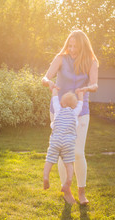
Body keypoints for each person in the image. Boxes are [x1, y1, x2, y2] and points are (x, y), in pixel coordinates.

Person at [42, 29, 99, 205]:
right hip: (59, 111)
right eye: (70, 45)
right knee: (61, 151)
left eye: (75, 46)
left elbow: (95, 84)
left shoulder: (91, 61)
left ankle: (81, 191)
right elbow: (45, 77)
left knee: (77, 152)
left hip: (80, 111)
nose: (72, 49)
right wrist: (48, 82)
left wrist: (86, 89)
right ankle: (66, 189)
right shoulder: (61, 58)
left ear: (83, 46)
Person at [43, 87, 84, 204]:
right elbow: (81, 104)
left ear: (63, 103)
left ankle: (46, 176)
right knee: (69, 164)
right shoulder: (75, 112)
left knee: (49, 160)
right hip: (68, 142)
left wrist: (55, 89)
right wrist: (80, 94)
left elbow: (54, 99)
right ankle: (68, 182)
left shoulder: (58, 109)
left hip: (56, 139)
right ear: (73, 106)